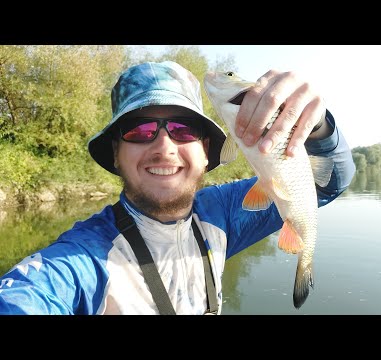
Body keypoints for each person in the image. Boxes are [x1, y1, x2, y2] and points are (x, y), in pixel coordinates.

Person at [0, 60, 356, 315]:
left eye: (184, 129)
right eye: (139, 130)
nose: (164, 147)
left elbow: (330, 184)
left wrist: (320, 127)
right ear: (116, 154)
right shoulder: (79, 260)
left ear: (205, 151)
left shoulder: (223, 213)